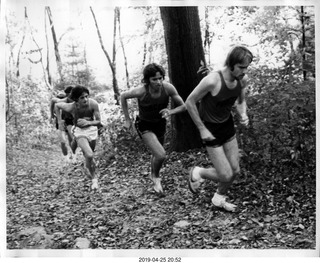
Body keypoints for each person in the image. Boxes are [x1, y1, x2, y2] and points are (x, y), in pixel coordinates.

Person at [185, 45, 253, 212]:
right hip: (210, 129)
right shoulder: (212, 80)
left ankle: (218, 198)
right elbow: (190, 102)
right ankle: (199, 172)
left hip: (227, 125)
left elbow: (240, 101)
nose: (244, 71)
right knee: (225, 174)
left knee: (235, 170)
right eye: (241, 67)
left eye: (246, 67)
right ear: (231, 63)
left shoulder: (241, 80)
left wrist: (243, 114)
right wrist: (201, 128)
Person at [120, 63, 186, 194]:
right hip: (144, 124)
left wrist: (171, 111)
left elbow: (184, 106)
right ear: (147, 80)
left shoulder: (168, 88)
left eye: (160, 78)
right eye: (154, 79)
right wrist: (127, 119)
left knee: (157, 154)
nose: (158, 82)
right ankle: (156, 178)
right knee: (161, 155)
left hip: (159, 124)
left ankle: (153, 174)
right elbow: (123, 96)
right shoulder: (141, 91)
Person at [54, 85, 102, 190]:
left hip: (92, 130)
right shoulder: (71, 107)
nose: (85, 99)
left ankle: (88, 168)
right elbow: (57, 105)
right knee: (89, 155)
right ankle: (94, 180)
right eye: (82, 98)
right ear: (76, 99)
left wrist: (88, 122)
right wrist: (59, 121)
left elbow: (98, 121)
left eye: (86, 96)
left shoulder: (93, 104)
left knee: (89, 157)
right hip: (79, 131)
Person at [50, 86, 77, 163]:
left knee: (72, 139)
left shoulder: (77, 99)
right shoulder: (62, 99)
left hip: (70, 121)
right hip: (61, 121)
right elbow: (53, 101)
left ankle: (74, 156)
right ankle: (66, 158)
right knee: (63, 141)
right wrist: (52, 115)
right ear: (68, 94)